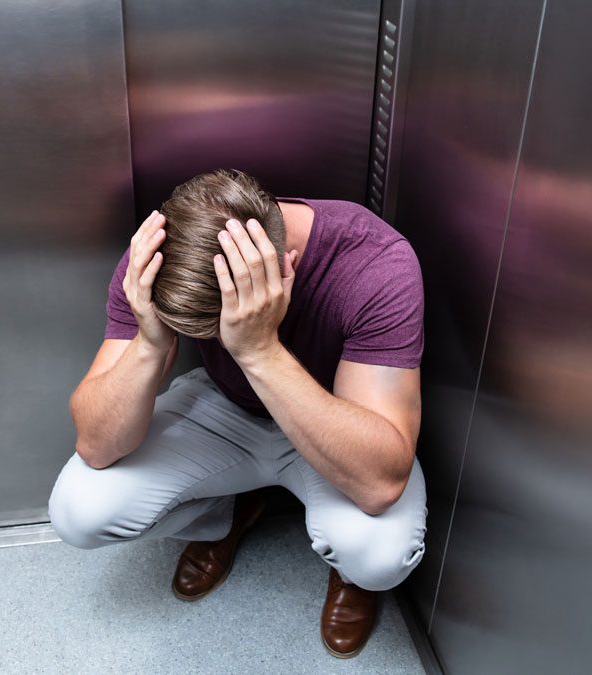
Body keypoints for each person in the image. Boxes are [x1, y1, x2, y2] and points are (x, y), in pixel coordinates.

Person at [48, 168, 427, 659]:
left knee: (377, 556)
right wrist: (150, 340)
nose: (213, 344)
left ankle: (346, 571)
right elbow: (96, 447)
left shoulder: (375, 263)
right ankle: (224, 516)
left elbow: (380, 485)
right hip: (223, 410)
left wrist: (258, 349)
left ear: (283, 266)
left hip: (332, 418)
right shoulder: (161, 250)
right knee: (79, 512)